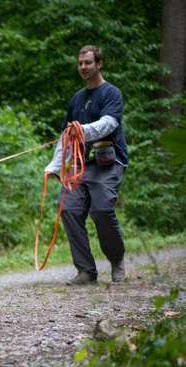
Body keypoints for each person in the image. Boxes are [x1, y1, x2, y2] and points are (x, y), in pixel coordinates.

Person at [45, 45, 128, 285]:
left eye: (88, 63)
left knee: (101, 210)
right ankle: (86, 271)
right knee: (69, 209)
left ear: (99, 64)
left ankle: (116, 259)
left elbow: (108, 124)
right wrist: (54, 166)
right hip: (79, 167)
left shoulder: (112, 94)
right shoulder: (76, 99)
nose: (83, 67)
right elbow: (66, 135)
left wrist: (81, 130)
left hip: (108, 164)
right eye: (80, 63)